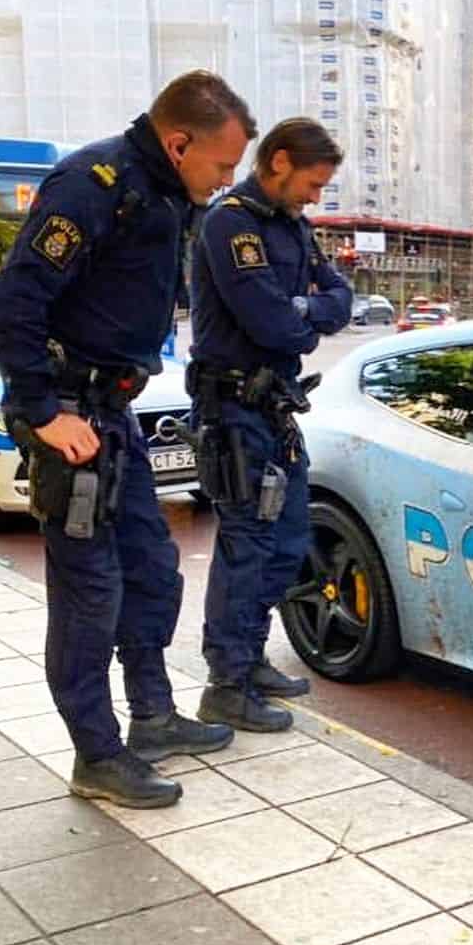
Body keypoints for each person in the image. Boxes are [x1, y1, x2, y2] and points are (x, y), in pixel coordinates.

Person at [0, 71, 252, 808]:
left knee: (155, 571)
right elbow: (7, 309)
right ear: (178, 141)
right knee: (89, 596)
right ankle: (96, 756)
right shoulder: (92, 187)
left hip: (114, 416)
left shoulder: (164, 191)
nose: (228, 183)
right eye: (222, 166)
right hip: (72, 421)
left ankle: (153, 718)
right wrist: (42, 411)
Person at [190, 118, 353, 731]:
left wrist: (304, 310)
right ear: (279, 162)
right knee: (247, 545)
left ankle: (250, 658)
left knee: (286, 543)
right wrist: (307, 315)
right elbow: (272, 326)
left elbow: (343, 299)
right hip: (233, 410)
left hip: (275, 409)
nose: (316, 197)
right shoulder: (230, 222)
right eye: (313, 183)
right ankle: (225, 683)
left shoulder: (292, 225)